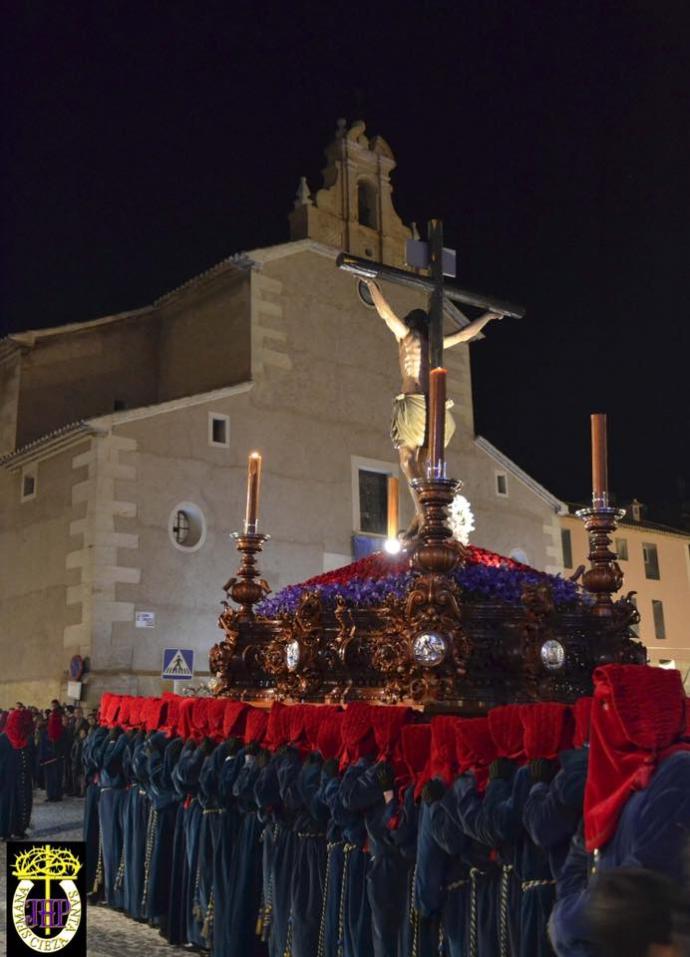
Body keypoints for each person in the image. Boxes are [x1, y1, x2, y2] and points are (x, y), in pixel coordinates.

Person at [549, 665, 690, 956]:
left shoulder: (677, 771)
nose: (601, 719)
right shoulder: (613, 783)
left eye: (607, 706)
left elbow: (642, 885)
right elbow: (576, 866)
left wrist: (566, 920)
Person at [363, 277, 502, 537]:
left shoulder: (407, 337)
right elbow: (465, 334)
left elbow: (386, 314)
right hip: (439, 411)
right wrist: (488, 316)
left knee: (407, 459)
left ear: (411, 322)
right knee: (426, 468)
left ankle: (425, 514)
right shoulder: (436, 345)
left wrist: (372, 286)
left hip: (415, 405)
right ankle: (421, 517)